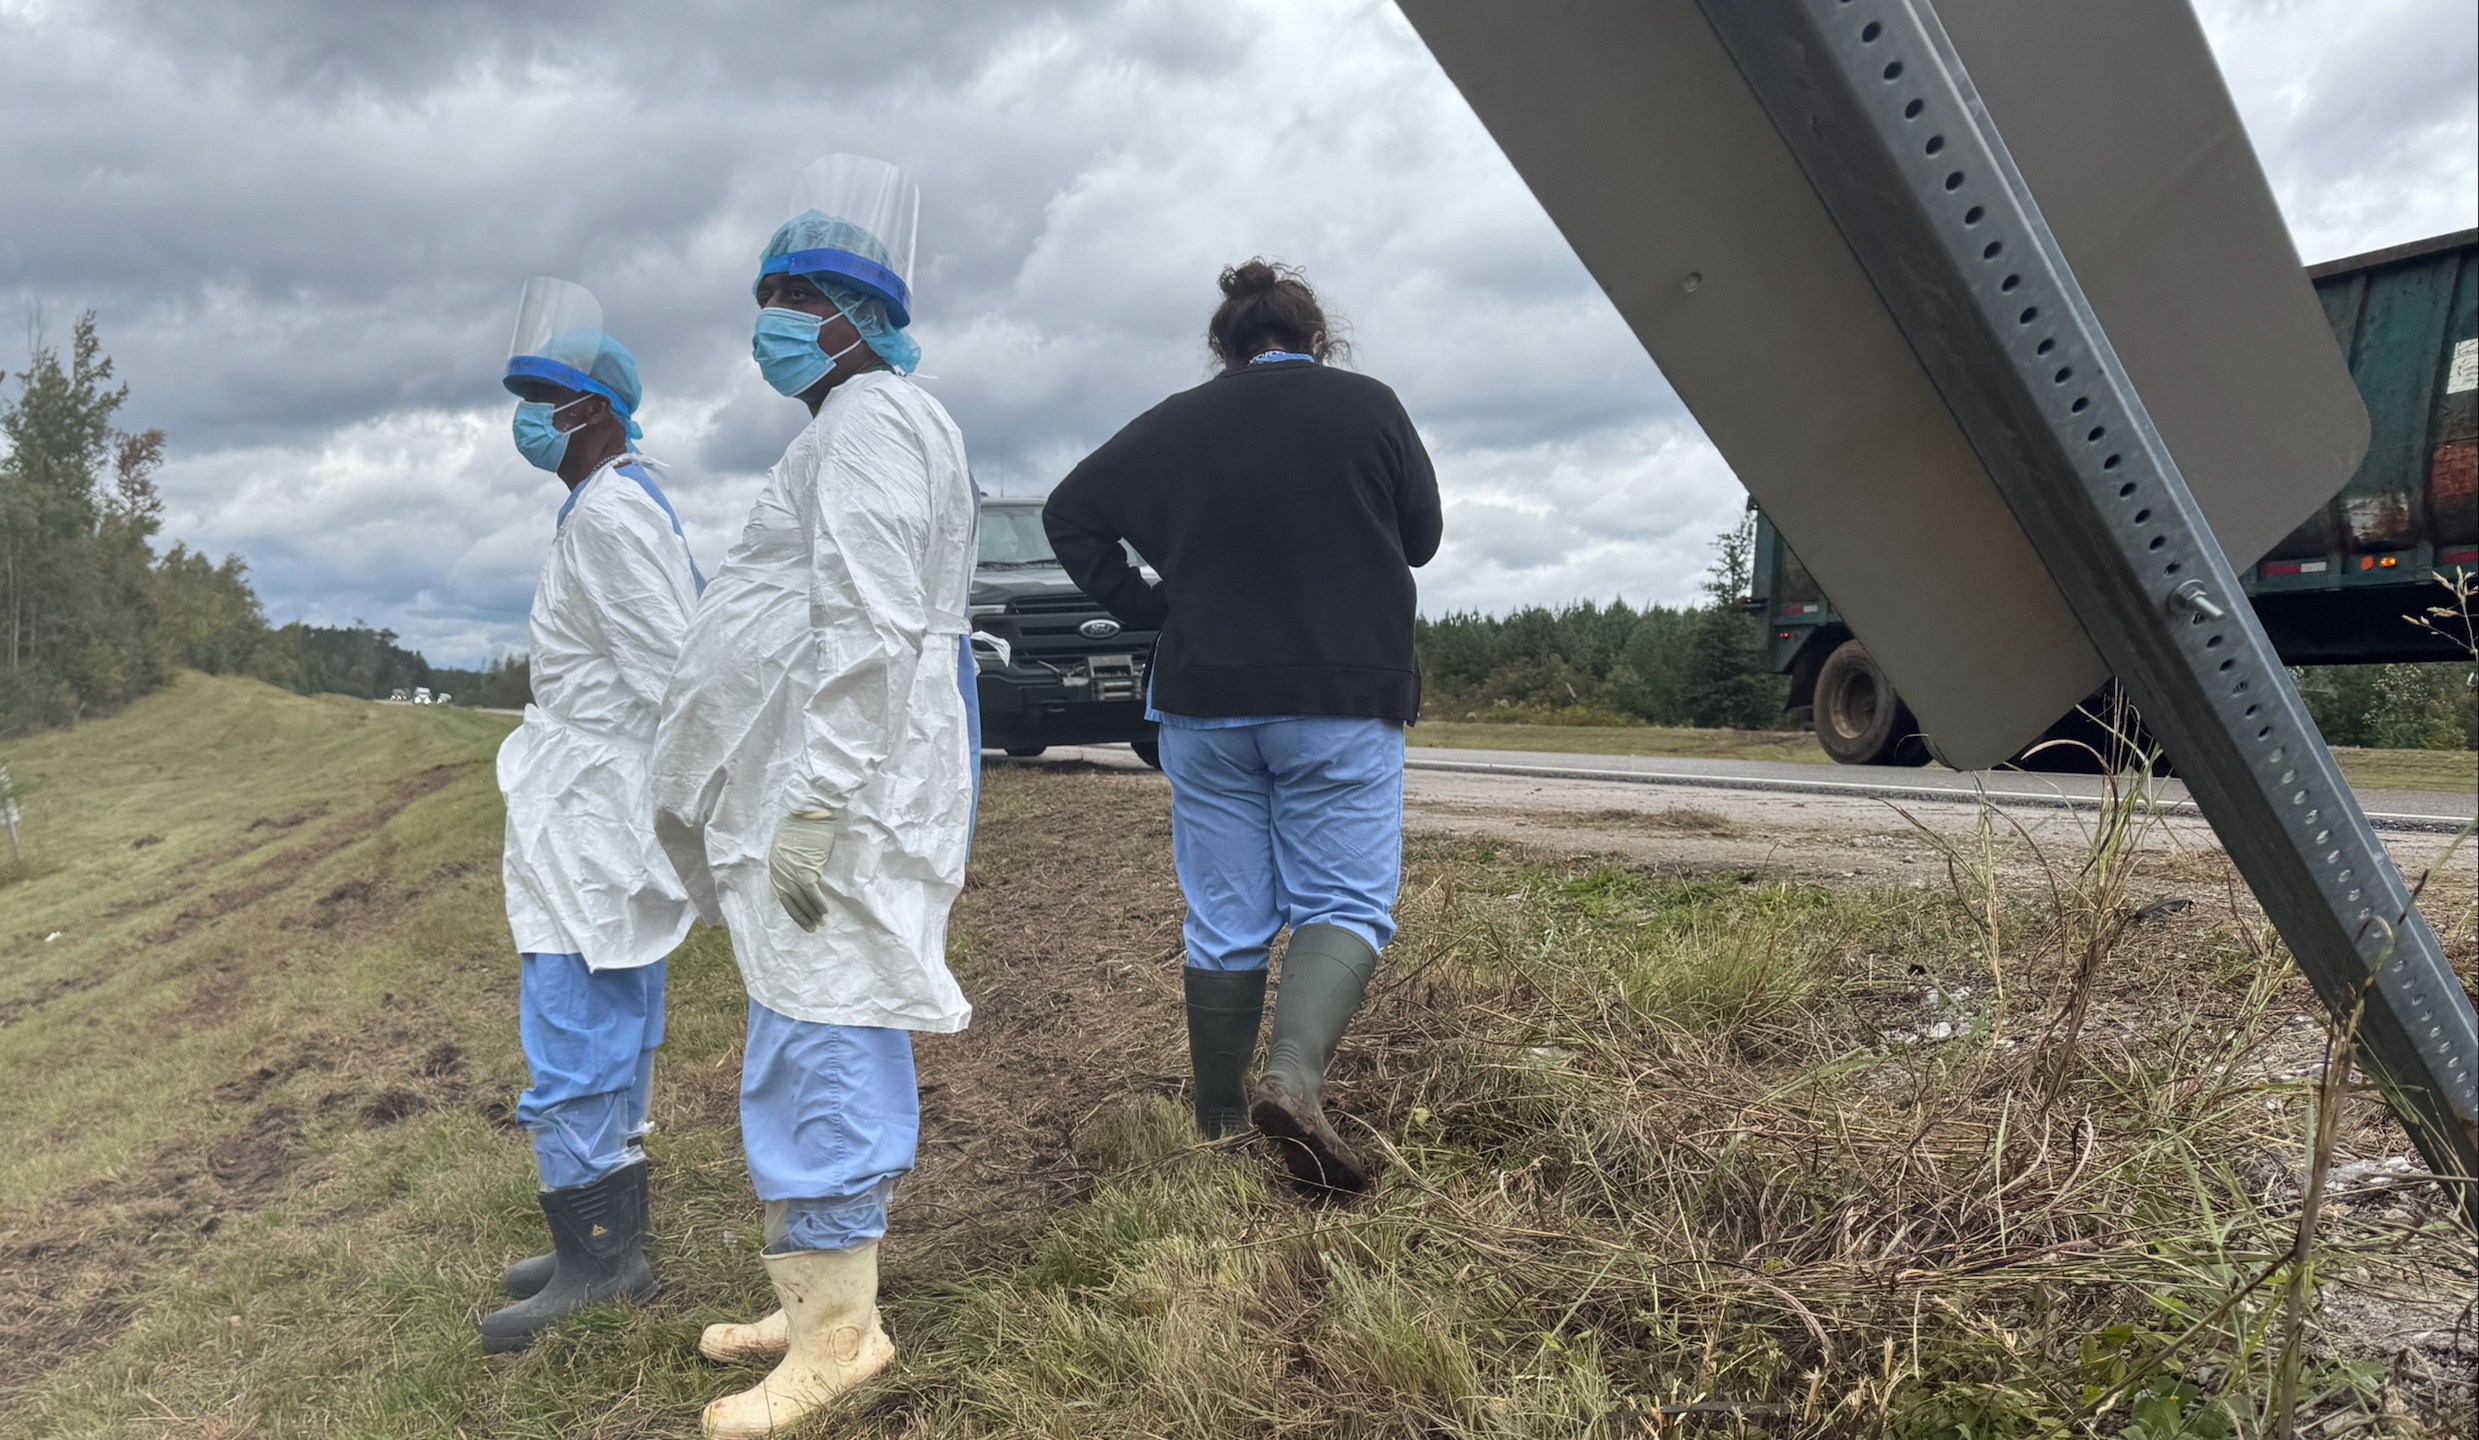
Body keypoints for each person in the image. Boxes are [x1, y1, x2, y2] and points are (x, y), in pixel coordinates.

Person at [651, 154, 978, 1440]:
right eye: (766, 291)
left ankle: (840, 1341)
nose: (770, 318)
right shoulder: (862, 424)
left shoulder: (874, 422)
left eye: (797, 293)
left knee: (820, 1035)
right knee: (813, 1022)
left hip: (841, 788)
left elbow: (870, 621)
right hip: (825, 779)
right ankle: (822, 1297)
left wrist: (821, 797)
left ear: (857, 315)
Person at [1043, 259, 1441, 1194]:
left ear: (1223, 349)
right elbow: (1419, 538)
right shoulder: (1368, 405)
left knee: (1225, 920)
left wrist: (1142, 603)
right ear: (1316, 339)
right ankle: (1293, 1082)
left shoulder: (1172, 423)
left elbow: (1070, 512)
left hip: (1202, 699)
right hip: (1339, 693)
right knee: (1342, 902)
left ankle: (1220, 1125)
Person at [480, 277, 705, 1352]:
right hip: (594, 802)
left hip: (595, 809)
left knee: (572, 1019)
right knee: (605, 1012)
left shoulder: (613, 515)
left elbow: (672, 672)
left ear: (598, 411)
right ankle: (602, 1233)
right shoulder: (609, 507)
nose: (528, 415)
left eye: (547, 395)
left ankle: (599, 1257)